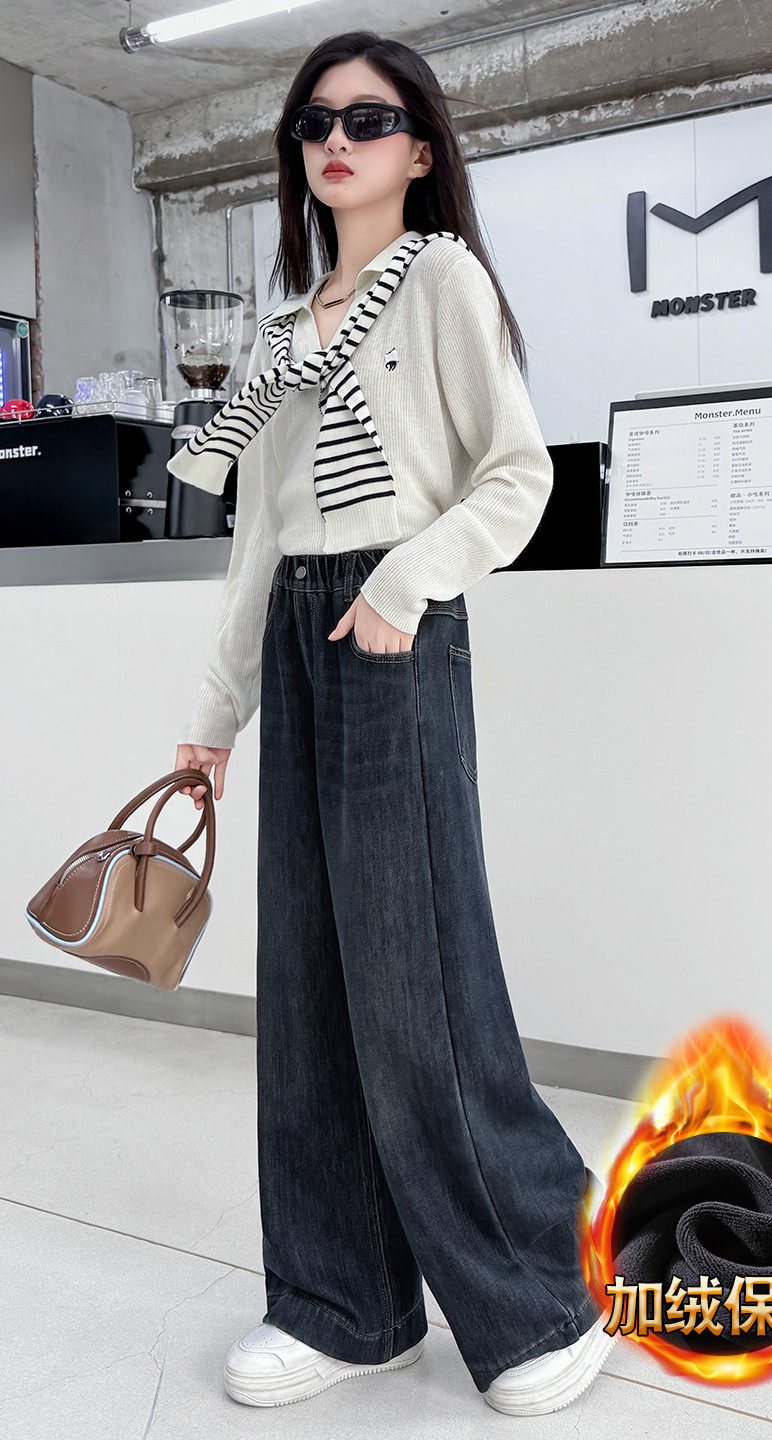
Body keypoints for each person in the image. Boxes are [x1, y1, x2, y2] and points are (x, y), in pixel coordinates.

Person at [170, 30, 612, 1417]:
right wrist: (216, 714)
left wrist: (408, 581)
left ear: (420, 148)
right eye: (315, 123)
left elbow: (517, 475)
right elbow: (256, 540)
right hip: (299, 638)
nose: (336, 142)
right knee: (308, 989)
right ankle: (343, 1304)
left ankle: (545, 1292)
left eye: (367, 120)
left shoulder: (439, 280)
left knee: (418, 983)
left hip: (392, 626)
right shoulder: (282, 331)